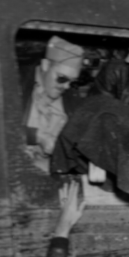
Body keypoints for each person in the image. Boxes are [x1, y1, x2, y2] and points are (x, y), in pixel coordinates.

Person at [23, 36, 85, 171]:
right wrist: (38, 137)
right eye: (62, 78)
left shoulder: (72, 101)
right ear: (45, 65)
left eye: (72, 82)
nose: (67, 87)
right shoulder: (17, 84)